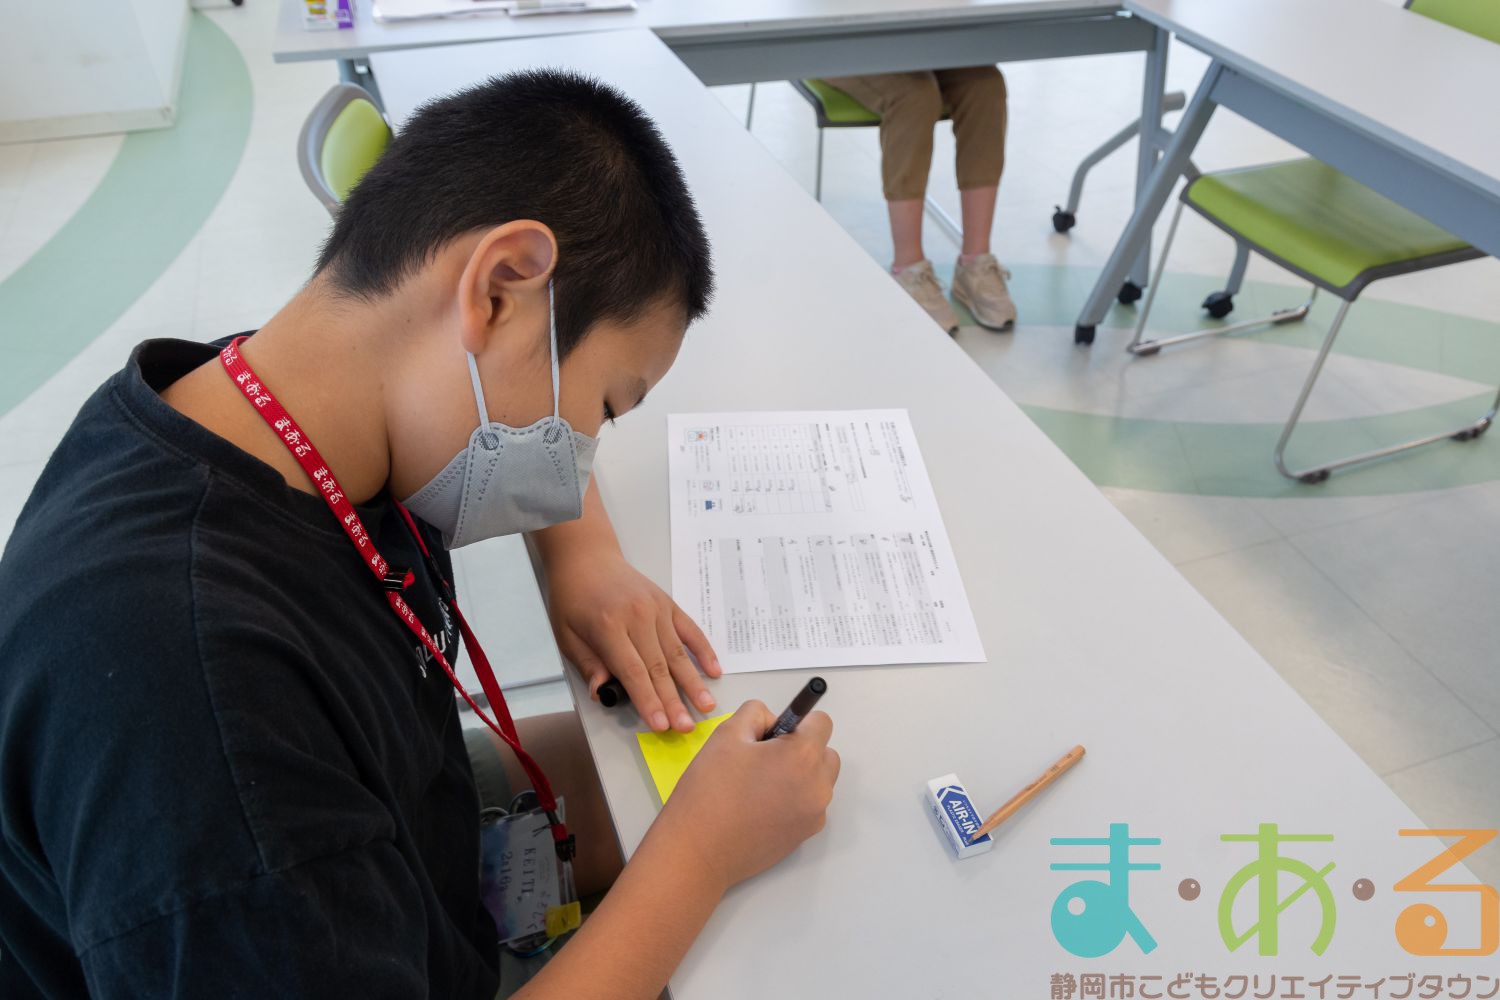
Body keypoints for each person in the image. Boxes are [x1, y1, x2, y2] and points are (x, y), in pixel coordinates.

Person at [0, 70, 840, 999]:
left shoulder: (290, 400)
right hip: (324, 903)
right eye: (604, 408)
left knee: (670, 779)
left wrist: (585, 555)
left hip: (402, 831)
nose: (578, 464)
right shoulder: (197, 700)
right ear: (499, 288)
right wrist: (700, 856)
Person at [823, 67, 1016, 334]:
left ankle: (975, 263)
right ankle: (908, 268)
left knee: (986, 84)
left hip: (928, 52)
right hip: (846, 51)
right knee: (914, 96)